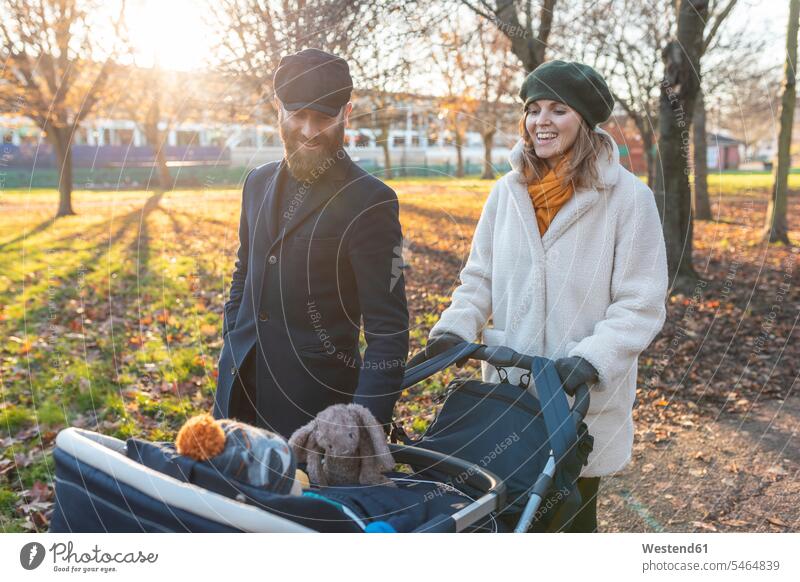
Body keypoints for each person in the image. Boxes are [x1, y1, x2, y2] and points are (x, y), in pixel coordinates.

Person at [408, 60, 669, 532]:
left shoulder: (629, 199)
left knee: (569, 524)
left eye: (558, 109)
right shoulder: (506, 193)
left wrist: (591, 360)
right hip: (506, 395)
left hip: (577, 399)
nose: (540, 121)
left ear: (585, 121)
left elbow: (641, 302)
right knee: (502, 520)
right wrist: (455, 328)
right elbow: (479, 278)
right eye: (533, 109)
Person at [214, 48, 409, 439]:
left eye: (323, 118)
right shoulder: (256, 183)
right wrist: (234, 332)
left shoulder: (371, 201)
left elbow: (388, 330)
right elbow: (245, 269)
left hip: (316, 417)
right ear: (277, 109)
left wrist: (360, 426)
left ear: (346, 114)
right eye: (298, 115)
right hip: (235, 396)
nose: (308, 130)